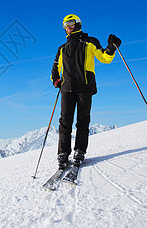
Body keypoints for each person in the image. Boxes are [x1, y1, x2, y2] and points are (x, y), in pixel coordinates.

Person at [50, 14, 121, 169]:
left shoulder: (90, 42)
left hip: (84, 88)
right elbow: (55, 68)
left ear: (77, 24)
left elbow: (104, 58)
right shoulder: (62, 48)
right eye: (64, 25)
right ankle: (63, 153)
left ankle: (80, 151)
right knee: (65, 122)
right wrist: (56, 80)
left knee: (83, 121)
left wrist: (111, 48)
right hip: (67, 89)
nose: (67, 27)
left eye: (69, 23)